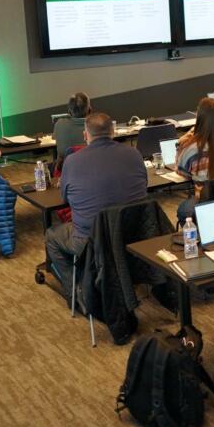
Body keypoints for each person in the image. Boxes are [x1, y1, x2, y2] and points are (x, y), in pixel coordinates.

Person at [45, 112, 147, 298]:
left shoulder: (72, 161)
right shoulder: (134, 154)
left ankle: (78, 292)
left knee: (51, 235)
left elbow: (65, 199)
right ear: (113, 131)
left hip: (90, 241)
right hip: (133, 234)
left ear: (85, 135)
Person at [175, 98, 214, 223]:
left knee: (183, 210)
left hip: (206, 199)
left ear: (200, 119)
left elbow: (181, 172)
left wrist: (180, 143)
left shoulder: (192, 147)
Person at [53, 92, 91, 160]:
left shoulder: (59, 124)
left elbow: (54, 139)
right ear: (89, 110)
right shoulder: (96, 125)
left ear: (69, 111)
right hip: (92, 163)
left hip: (67, 165)